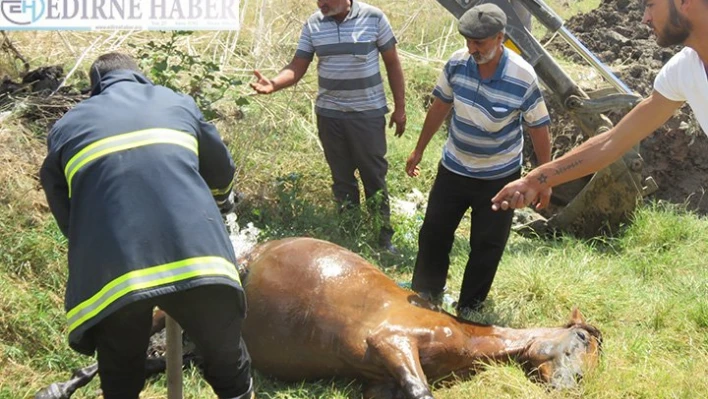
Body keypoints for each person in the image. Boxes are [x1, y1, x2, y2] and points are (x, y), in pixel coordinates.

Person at [39, 53, 254, 399]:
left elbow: (67, 214)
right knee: (229, 366)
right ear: (140, 77)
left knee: (121, 378)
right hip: (199, 262)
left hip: (117, 278)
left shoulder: (68, 125)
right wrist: (220, 203)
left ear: (94, 88)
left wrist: (95, 242)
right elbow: (221, 172)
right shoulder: (176, 102)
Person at [492, 0, 708, 211]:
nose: (645, 19)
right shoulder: (683, 72)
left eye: (650, 5)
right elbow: (613, 141)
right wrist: (535, 180)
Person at [405, 3, 551, 314]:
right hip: (454, 168)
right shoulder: (457, 64)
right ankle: (426, 295)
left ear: (500, 38)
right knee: (433, 232)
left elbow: (539, 127)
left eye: (480, 42)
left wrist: (543, 179)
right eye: (468, 41)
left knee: (487, 245)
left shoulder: (522, 76)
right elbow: (440, 106)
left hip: (499, 177)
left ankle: (469, 308)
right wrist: (418, 149)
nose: (472, 49)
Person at [250, 0, 406, 253]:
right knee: (341, 178)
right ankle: (349, 234)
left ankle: (382, 239)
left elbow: (392, 64)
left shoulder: (374, 18)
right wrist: (274, 84)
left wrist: (400, 107)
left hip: (366, 115)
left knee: (373, 177)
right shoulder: (314, 23)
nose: (320, 3)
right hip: (330, 116)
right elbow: (297, 66)